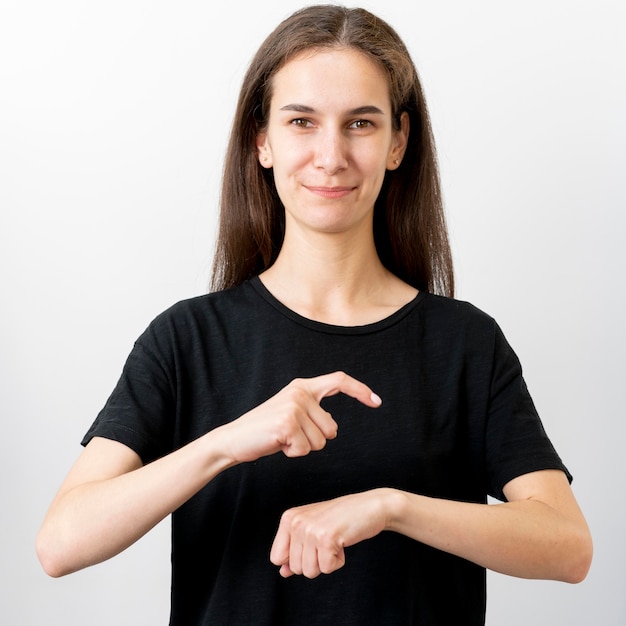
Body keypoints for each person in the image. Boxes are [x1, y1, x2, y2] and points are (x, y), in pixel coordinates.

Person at [36, 5, 592, 624]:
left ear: (397, 142)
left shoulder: (466, 344)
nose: (331, 156)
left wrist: (391, 507)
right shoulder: (187, 339)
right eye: (302, 121)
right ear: (262, 140)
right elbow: (61, 544)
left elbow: (567, 547)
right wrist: (225, 444)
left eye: (360, 123)